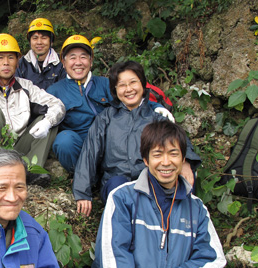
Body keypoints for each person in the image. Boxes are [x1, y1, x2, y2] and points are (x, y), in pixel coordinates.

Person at [92, 120, 257, 268]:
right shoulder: (123, 197)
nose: (166, 162)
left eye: (173, 153)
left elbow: (212, 257)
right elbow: (113, 256)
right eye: (158, 154)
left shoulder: (196, 207)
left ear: (182, 159)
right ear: (146, 159)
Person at [73, 61, 201, 216]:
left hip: (151, 178)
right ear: (115, 89)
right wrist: (82, 193)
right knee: (118, 188)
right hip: (116, 180)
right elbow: (90, 153)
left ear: (142, 84)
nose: (128, 89)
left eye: (133, 82)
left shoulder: (156, 117)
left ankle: (178, 226)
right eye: (122, 85)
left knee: (180, 180)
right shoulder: (106, 118)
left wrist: (186, 161)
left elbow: (178, 141)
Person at [47, 35, 173, 173]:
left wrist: (156, 107)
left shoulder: (105, 83)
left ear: (91, 61)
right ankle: (83, 176)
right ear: (63, 63)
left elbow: (131, 99)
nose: (78, 62)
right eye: (72, 57)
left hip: (111, 142)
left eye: (83, 57)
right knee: (64, 141)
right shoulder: (54, 90)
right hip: (80, 145)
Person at [0, 33, 65, 186]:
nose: (6, 63)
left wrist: (47, 122)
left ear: (17, 62)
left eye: (11, 57)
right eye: (0, 58)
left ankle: (30, 171)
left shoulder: (26, 86)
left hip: (17, 145)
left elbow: (58, 105)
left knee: (49, 120)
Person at [16, 18, 66, 90]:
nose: (39, 42)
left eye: (44, 38)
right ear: (30, 41)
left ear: (51, 41)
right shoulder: (21, 64)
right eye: (35, 38)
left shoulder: (61, 63)